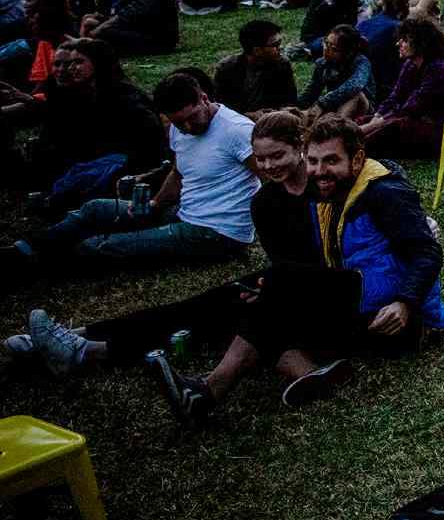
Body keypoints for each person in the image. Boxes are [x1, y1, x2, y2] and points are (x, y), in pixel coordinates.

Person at [147, 114, 444, 422]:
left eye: (331, 160)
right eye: (314, 161)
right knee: (262, 302)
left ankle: (210, 389)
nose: (320, 171)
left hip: (402, 319)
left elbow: (427, 252)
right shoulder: (328, 192)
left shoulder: (383, 191)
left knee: (280, 283)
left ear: (357, 158)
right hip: (365, 303)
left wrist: (406, 302)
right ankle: (308, 374)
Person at [9, 110, 317, 378]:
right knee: (196, 304)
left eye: (277, 156)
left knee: (215, 315)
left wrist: (277, 285)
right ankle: (75, 336)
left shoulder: (323, 188)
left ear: (300, 147)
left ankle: (90, 351)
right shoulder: (265, 201)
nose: (268, 166)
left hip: (311, 284)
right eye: (261, 159)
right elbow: (280, 257)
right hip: (283, 279)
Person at [3, 72, 258, 277]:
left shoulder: (237, 131)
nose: (188, 128)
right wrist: (155, 204)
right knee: (94, 209)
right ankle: (21, 251)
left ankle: (27, 271)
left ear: (204, 98)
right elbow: (179, 173)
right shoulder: (180, 130)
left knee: (100, 245)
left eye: (192, 118)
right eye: (179, 122)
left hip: (217, 233)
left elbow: (271, 179)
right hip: (185, 214)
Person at [0, 37, 167, 207]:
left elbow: (143, 143)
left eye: (78, 62)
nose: (71, 68)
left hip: (124, 164)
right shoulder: (86, 92)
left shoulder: (124, 97)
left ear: (98, 63)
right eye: (70, 63)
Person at [358, 16, 444, 158]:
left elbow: (413, 107)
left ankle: (351, 148)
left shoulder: (441, 69)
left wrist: (374, 125)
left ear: (421, 44)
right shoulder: (411, 64)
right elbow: (395, 96)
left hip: (439, 127)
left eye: (405, 40)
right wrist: (376, 117)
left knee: (393, 127)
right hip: (415, 118)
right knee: (363, 121)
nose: (398, 43)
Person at [211, 19, 299, 114]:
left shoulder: (281, 65)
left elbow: (290, 101)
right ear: (257, 50)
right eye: (275, 45)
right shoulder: (227, 68)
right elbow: (221, 106)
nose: (280, 48)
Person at [300, 25, 376, 116]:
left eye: (334, 49)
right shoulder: (322, 63)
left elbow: (355, 86)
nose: (326, 50)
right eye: (326, 43)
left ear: (348, 53)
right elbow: (312, 92)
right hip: (334, 105)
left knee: (356, 95)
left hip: (361, 109)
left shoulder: (361, 62)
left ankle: (337, 125)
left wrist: (322, 104)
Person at [357, 0, 411, 100]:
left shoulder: (363, 24)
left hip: (359, 82)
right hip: (383, 88)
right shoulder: (398, 28)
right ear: (403, 5)